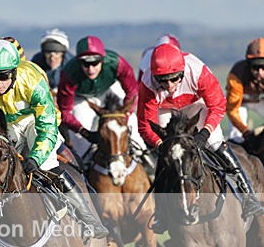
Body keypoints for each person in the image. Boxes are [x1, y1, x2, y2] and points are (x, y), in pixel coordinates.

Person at [0, 38, 108, 246]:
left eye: (3, 76)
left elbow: (47, 127)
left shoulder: (33, 82)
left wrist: (34, 157)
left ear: (14, 71)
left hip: (37, 121)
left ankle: (87, 217)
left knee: (45, 163)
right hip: (6, 125)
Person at [137, 42, 264, 221]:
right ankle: (161, 212)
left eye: (174, 78)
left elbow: (218, 105)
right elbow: (145, 125)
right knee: (167, 156)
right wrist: (162, 145)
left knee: (216, 143)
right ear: (155, 76)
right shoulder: (148, 84)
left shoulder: (197, 71)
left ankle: (248, 195)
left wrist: (204, 133)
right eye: (163, 80)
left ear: (182, 72)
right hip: (165, 110)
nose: (169, 85)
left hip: (198, 105)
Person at [57, 35, 145, 166]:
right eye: (85, 64)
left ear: (103, 60)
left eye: (95, 63)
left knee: (131, 120)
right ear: (79, 61)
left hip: (109, 89)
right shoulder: (69, 73)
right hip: (82, 97)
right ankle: (85, 165)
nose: (91, 69)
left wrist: (124, 115)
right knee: (81, 139)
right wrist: (83, 132)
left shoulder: (117, 63)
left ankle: (143, 157)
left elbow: (132, 92)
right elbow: (64, 111)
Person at [225, 37, 264, 142]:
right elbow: (232, 109)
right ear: (249, 64)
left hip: (261, 102)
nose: (260, 72)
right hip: (240, 104)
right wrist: (245, 132)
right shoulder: (237, 74)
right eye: (256, 67)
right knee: (237, 135)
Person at [31, 28, 73, 95]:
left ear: (63, 53)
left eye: (57, 53)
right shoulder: (36, 63)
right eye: (48, 53)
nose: (52, 58)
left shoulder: (71, 63)